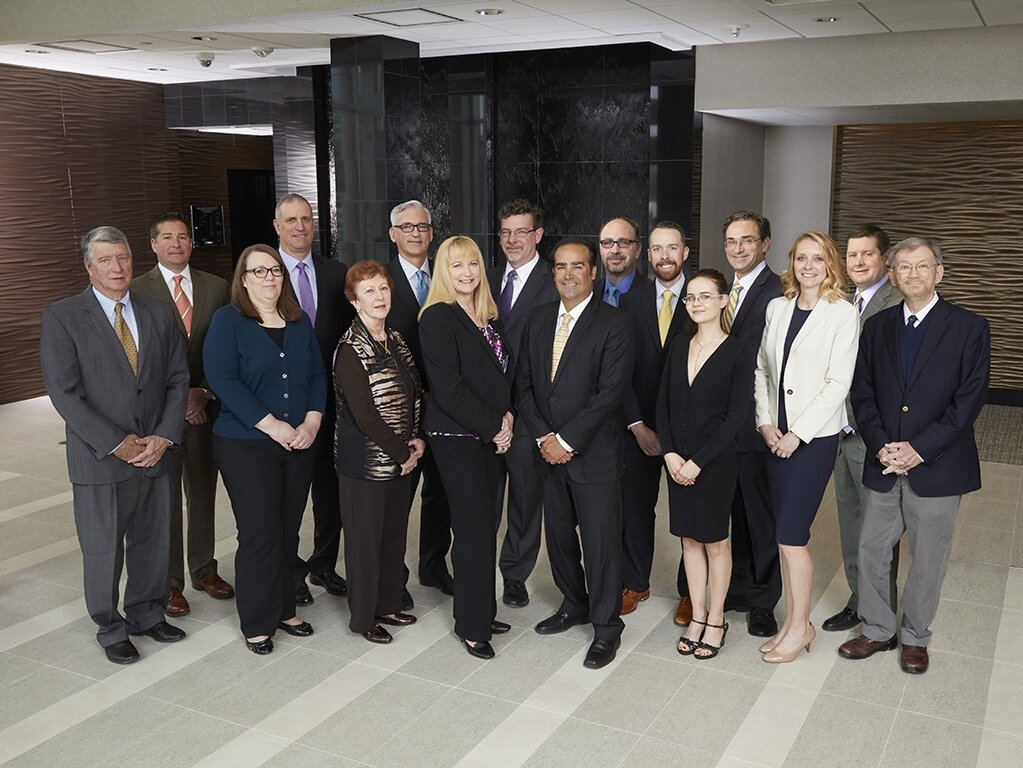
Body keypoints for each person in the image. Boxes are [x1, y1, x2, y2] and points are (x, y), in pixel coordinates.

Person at [839, 237, 989, 675]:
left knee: (927, 558)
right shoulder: (877, 326)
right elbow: (862, 391)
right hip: (884, 459)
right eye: (904, 267)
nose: (913, 274)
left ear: (939, 272)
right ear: (893, 275)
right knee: (871, 550)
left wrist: (918, 450)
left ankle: (916, 636)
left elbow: (968, 401)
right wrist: (881, 444)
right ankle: (878, 628)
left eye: (923, 266)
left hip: (938, 466)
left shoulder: (969, 327)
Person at [40, 226, 189, 665]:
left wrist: (164, 435)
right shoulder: (63, 316)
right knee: (103, 549)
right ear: (89, 267)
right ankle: (110, 627)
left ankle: (147, 613)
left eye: (122, 258)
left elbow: (177, 378)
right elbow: (64, 393)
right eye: (105, 260)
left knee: (153, 542)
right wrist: (114, 443)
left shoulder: (158, 311)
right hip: (99, 459)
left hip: (154, 451)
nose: (117, 268)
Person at [517, 237, 634, 670]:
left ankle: (607, 627)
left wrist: (565, 441)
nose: (569, 274)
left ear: (593, 272)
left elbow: (610, 394)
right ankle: (574, 603)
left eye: (578, 266)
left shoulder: (614, 323)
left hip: (593, 454)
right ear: (553, 273)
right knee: (559, 538)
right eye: (561, 267)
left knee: (601, 544)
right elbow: (524, 384)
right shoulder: (537, 319)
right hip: (547, 452)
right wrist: (543, 437)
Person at [204, 243, 326, 655]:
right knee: (260, 532)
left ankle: (285, 608)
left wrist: (312, 422)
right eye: (259, 271)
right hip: (246, 445)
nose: (269, 277)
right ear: (243, 279)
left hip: (298, 443)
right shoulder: (228, 320)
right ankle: (257, 621)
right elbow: (222, 378)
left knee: (288, 530)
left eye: (275, 270)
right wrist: (272, 425)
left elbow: (316, 375)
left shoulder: (298, 320)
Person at [754, 231, 859, 663]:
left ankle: (800, 627)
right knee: (783, 536)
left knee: (792, 536)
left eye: (817, 258)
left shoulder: (842, 314)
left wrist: (797, 434)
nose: (808, 266)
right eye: (801, 258)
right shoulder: (777, 308)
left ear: (830, 263)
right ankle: (792, 622)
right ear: (792, 262)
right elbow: (762, 370)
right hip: (774, 436)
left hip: (812, 441)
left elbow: (838, 384)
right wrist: (765, 423)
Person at [131, 212, 234, 617]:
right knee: (166, 499)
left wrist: (203, 393)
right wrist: (177, 402)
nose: (177, 243)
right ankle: (170, 582)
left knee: (203, 491)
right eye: (168, 237)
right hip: (160, 415)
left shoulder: (217, 287)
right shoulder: (136, 289)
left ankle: (204, 570)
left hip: (206, 406)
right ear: (153, 245)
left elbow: (227, 346)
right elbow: (136, 358)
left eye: (184, 237)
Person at [420, 236, 516, 659]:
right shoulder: (437, 317)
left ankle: (481, 609)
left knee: (485, 527)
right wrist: (495, 427)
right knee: (474, 529)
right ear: (444, 271)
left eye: (473, 264)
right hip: (458, 439)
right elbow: (448, 388)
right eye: (456, 265)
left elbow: (502, 378)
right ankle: (472, 626)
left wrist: (508, 416)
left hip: (490, 437)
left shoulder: (487, 318)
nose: (466, 273)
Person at [657, 268, 752, 659]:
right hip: (676, 462)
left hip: (714, 463)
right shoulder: (679, 345)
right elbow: (662, 403)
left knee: (715, 543)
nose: (696, 303)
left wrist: (697, 462)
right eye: (691, 297)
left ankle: (716, 618)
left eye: (705, 296)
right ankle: (696, 615)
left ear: (723, 300)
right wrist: (669, 453)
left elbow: (735, 417)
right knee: (689, 541)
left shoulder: (739, 351)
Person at [334, 260, 425, 644]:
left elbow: (413, 391)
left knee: (392, 537)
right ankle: (363, 618)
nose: (379, 296)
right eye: (368, 291)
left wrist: (416, 438)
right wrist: (403, 453)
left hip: (401, 458)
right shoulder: (349, 349)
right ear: (354, 300)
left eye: (383, 288)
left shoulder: (397, 339)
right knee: (365, 545)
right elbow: (366, 415)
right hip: (364, 464)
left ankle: (388, 604)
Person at [274, 194, 353, 606]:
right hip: (283, 405)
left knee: (330, 490)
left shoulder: (336, 272)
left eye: (306, 219)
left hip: (331, 402)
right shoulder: (262, 272)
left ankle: (324, 564)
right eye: (291, 220)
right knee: (288, 495)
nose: (300, 227)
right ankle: (290, 573)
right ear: (277, 227)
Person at [823, 224, 902, 633]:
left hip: (874, 436)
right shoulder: (841, 302)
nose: (857, 262)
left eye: (867, 254)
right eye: (852, 255)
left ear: (885, 258)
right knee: (852, 524)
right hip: (840, 433)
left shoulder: (897, 303)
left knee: (878, 533)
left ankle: (879, 614)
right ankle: (860, 601)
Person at [619, 221, 692, 621]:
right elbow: (622, 370)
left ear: (685, 252)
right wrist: (636, 424)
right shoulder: (631, 302)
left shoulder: (703, 299)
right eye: (658, 249)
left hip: (688, 431)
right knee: (635, 509)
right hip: (641, 428)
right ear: (648, 255)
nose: (665, 256)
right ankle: (635, 582)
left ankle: (689, 591)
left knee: (689, 513)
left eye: (672, 248)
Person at [488, 198, 557, 609]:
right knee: (485, 495)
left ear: (538, 235)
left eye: (521, 232)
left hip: (530, 410)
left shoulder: (554, 280)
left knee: (526, 498)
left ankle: (515, 574)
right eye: (506, 232)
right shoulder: (486, 277)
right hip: (485, 409)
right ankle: (477, 567)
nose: (512, 240)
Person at [386, 200, 453, 604]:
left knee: (440, 493)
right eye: (407, 227)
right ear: (393, 234)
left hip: (444, 408)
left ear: (431, 233)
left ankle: (433, 565)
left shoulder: (448, 277)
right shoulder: (381, 279)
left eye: (422, 226)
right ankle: (392, 577)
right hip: (399, 410)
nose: (415, 233)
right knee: (398, 496)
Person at [720, 211, 784, 638]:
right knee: (732, 511)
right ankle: (739, 588)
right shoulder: (721, 292)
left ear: (765, 243)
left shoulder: (779, 291)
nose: (738, 248)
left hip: (759, 421)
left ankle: (764, 600)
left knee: (761, 515)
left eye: (746, 240)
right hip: (722, 424)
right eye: (731, 241)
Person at [596, 217, 647, 307]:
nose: (615, 250)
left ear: (638, 249)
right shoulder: (589, 293)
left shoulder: (653, 295)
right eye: (607, 242)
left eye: (624, 242)